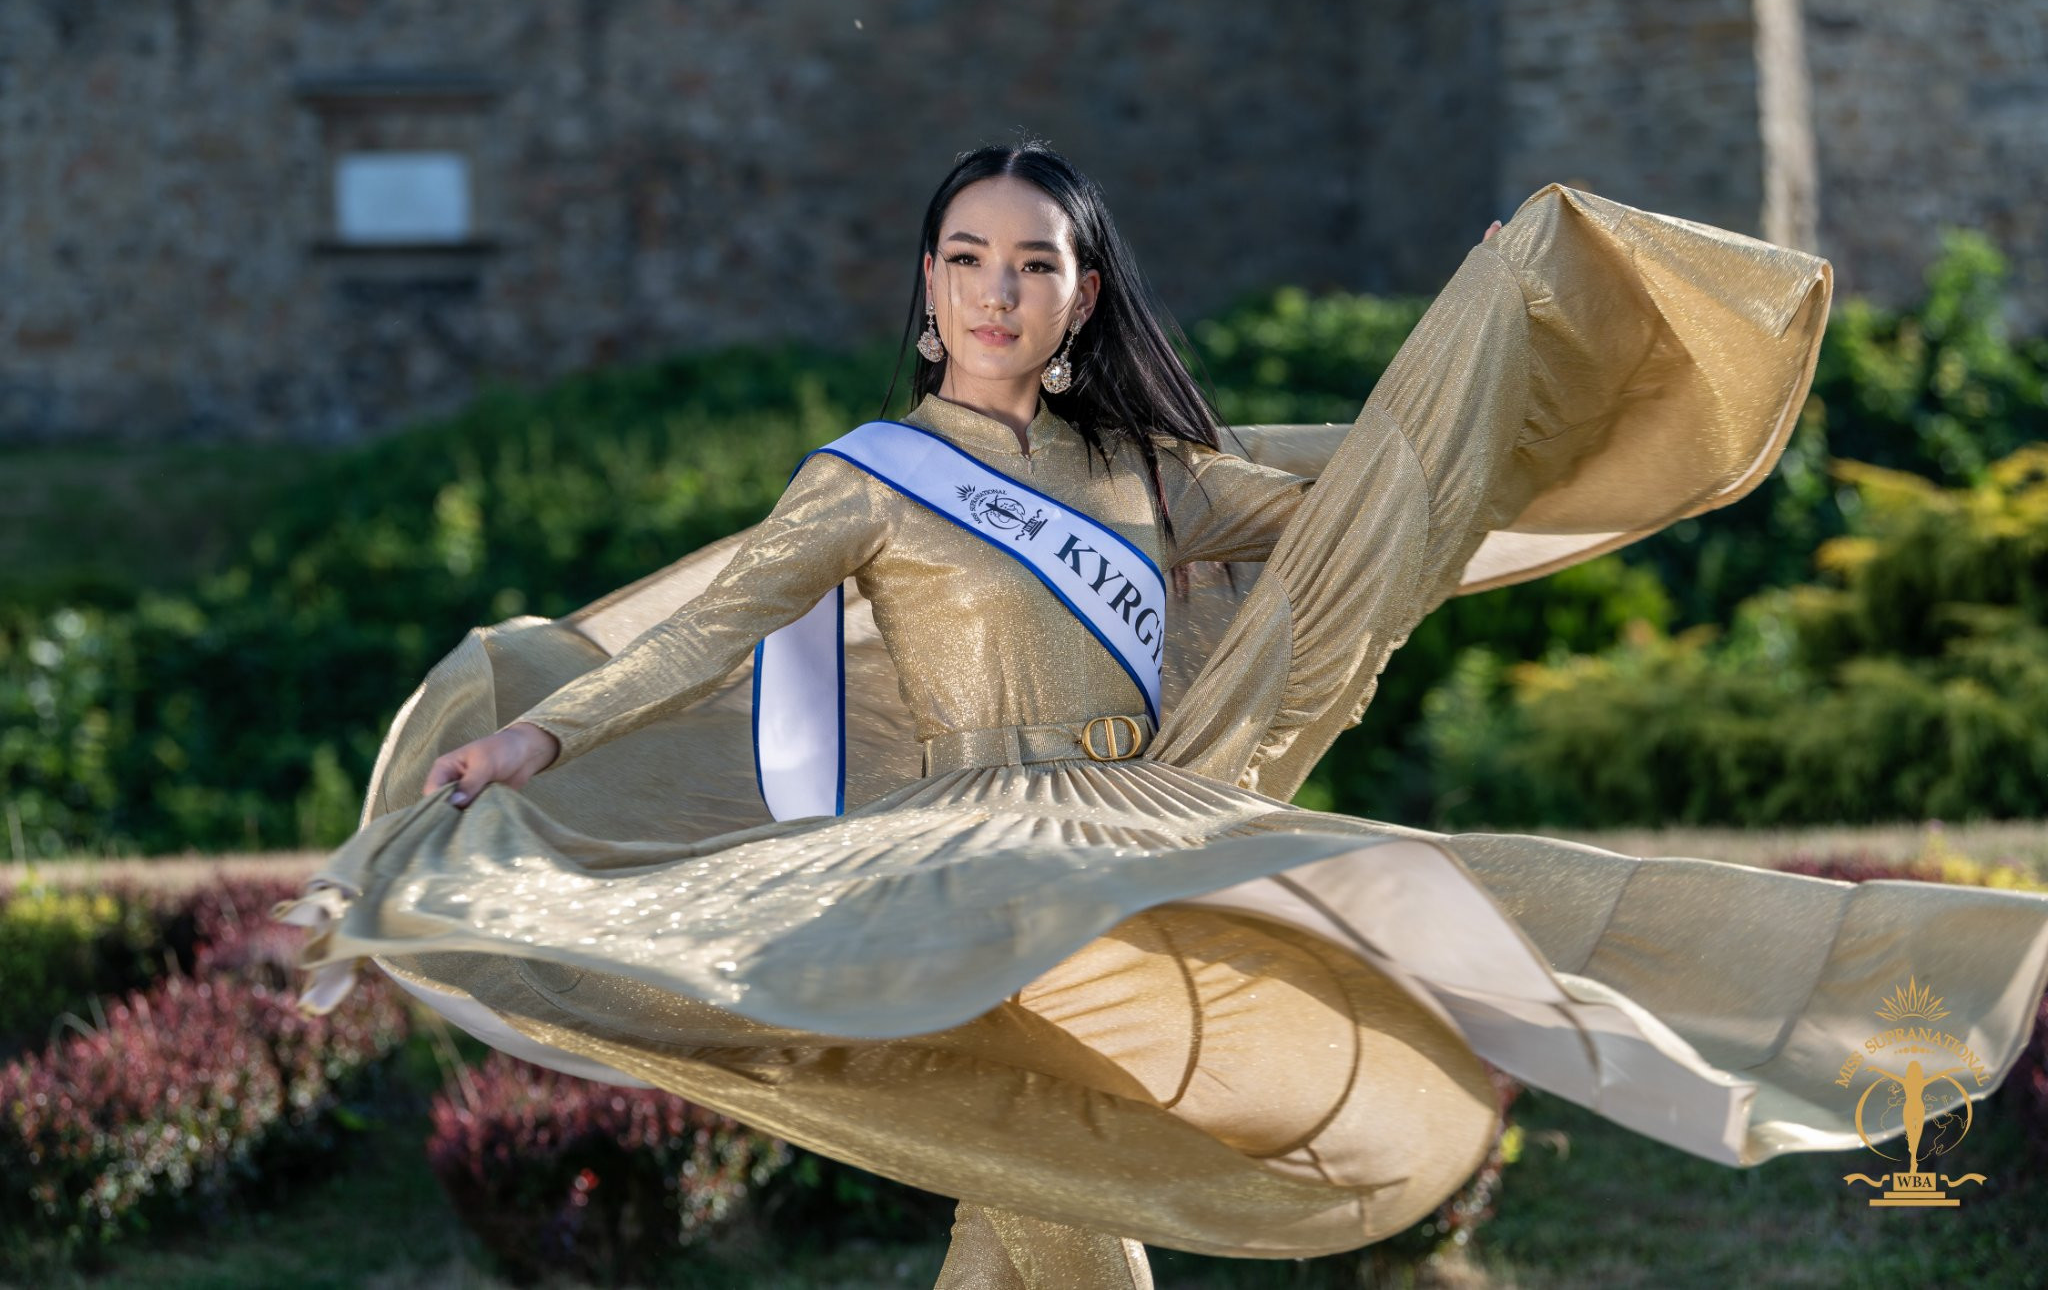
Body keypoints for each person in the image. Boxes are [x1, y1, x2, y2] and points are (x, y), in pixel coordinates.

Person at [281, 142, 2048, 1289]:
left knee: (1355, 970)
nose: (993, 287)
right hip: (967, 853)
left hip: (1147, 818)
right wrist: (540, 742)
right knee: (1057, 1151)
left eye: (1032, 262)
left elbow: (1384, 498)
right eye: (963, 257)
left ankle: (1868, 990)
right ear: (924, 292)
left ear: (1082, 295)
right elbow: (728, 620)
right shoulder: (867, 481)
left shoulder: (1152, 472)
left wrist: (1520, 342)